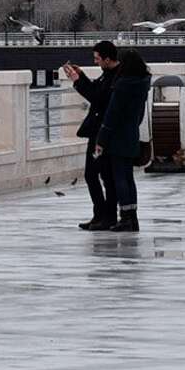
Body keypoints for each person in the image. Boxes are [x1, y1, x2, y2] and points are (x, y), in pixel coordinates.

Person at [63, 41, 119, 231]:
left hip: (104, 134)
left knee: (103, 175)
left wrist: (77, 81)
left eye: (97, 59)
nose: (95, 62)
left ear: (107, 59)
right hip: (98, 132)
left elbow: (98, 98)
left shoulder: (115, 78)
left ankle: (107, 216)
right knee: (96, 174)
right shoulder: (108, 76)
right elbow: (97, 89)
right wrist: (82, 76)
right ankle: (101, 215)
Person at [95, 48, 153, 232]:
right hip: (131, 135)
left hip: (117, 138)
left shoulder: (122, 85)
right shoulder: (142, 83)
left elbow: (112, 115)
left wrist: (101, 139)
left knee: (119, 178)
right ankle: (132, 217)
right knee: (128, 178)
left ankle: (125, 218)